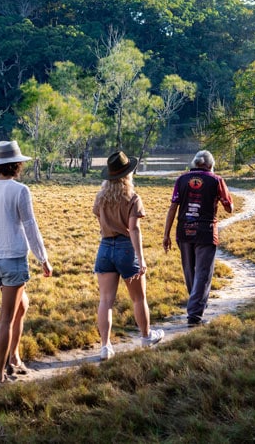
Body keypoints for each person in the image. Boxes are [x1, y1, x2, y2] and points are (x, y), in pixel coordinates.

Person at [0, 140, 53, 390]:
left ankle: (14, 356)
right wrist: (43, 259)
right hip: (13, 259)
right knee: (5, 318)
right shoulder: (20, 191)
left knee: (22, 305)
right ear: (16, 165)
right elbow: (30, 226)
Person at [93, 150, 164, 360]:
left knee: (105, 300)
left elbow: (100, 222)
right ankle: (145, 336)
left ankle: (105, 346)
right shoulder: (133, 198)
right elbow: (134, 229)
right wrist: (140, 259)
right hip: (126, 249)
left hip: (105, 248)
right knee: (138, 298)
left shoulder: (101, 197)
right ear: (127, 175)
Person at [162, 150, 233, 327]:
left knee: (189, 270)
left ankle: (196, 304)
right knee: (203, 273)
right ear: (210, 165)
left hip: (184, 231)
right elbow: (229, 207)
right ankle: (194, 315)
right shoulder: (216, 180)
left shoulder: (181, 180)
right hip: (206, 232)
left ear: (195, 163)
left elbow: (173, 208)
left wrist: (166, 234)